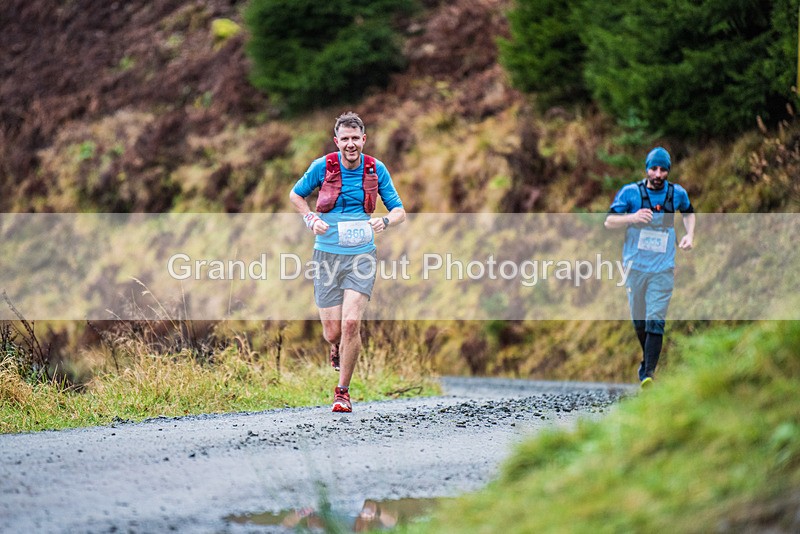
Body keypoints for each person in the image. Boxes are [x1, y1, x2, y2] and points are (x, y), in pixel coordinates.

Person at [289, 111, 405, 412]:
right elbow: (296, 195)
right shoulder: (322, 166)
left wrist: (386, 221)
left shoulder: (375, 169)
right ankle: (335, 347)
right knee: (333, 332)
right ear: (336, 141)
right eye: (345, 139)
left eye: (356, 138)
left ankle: (342, 392)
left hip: (361, 255)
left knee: (352, 324)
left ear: (364, 139)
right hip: (326, 254)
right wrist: (310, 218)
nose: (351, 144)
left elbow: (399, 210)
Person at [605, 147, 695, 388]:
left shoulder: (677, 194)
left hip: (663, 268)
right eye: (653, 168)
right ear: (646, 169)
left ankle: (649, 375)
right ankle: (647, 362)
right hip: (634, 267)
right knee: (639, 320)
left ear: (668, 171)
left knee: (656, 317)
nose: (658, 174)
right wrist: (632, 218)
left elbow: (688, 212)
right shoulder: (631, 193)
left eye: (663, 169)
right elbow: (609, 221)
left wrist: (689, 235)